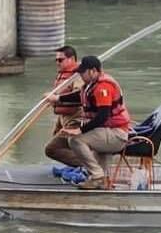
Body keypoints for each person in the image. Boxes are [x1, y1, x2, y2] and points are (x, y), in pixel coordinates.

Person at [45, 56, 131, 189]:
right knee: (100, 170)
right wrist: (57, 98)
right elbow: (79, 96)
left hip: (116, 134)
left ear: (92, 71)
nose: (80, 75)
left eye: (82, 72)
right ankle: (102, 181)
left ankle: (97, 176)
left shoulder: (103, 87)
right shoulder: (91, 84)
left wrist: (79, 130)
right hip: (106, 131)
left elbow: (102, 116)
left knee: (75, 140)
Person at [44, 46, 84, 166]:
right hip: (64, 118)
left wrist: (57, 100)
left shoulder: (78, 76)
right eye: (56, 60)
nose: (57, 63)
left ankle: (89, 165)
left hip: (76, 120)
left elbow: (79, 97)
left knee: (52, 149)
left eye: (60, 60)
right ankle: (80, 165)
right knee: (56, 139)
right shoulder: (64, 75)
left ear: (71, 59)